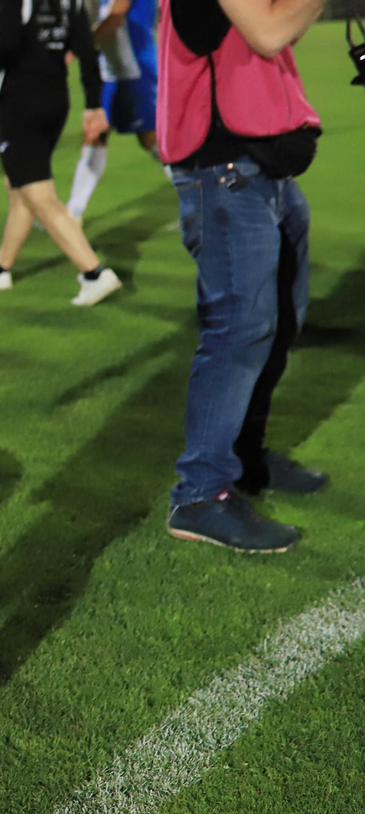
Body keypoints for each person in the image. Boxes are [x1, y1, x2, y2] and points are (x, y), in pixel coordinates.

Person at [157, 0, 326, 552]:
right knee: (239, 328)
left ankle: (245, 457)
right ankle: (201, 492)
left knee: (277, 322)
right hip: (225, 169)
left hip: (263, 164)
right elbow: (269, 31)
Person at [0, 0, 123, 307]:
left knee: (38, 192)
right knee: (21, 187)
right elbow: (86, 48)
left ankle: (94, 273)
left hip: (22, 103)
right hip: (55, 100)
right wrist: (92, 103)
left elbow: (7, 40)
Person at [65, 0, 160, 221]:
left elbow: (115, 18)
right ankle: (73, 212)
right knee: (95, 132)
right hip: (110, 70)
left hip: (135, 70)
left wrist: (78, 47)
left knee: (150, 138)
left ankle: (192, 185)